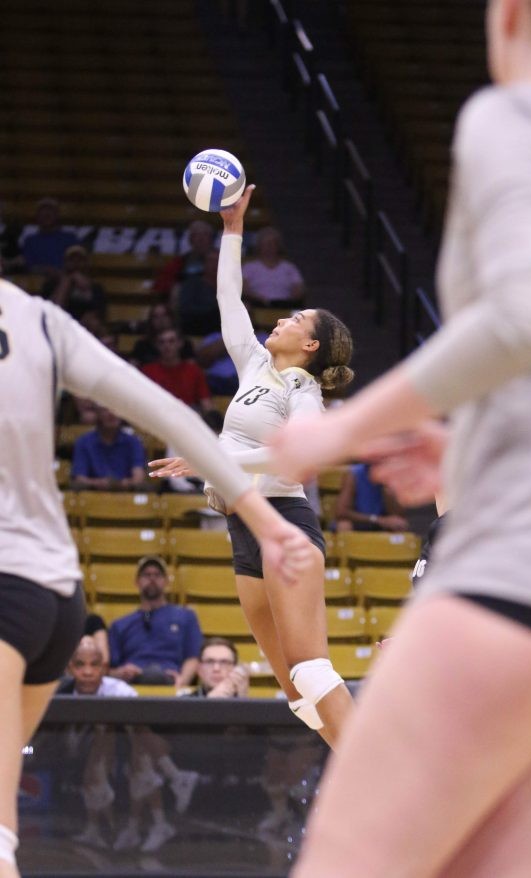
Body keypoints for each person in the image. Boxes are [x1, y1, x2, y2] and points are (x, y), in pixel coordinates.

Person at [270, 1, 531, 875]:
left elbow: (524, 317)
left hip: (528, 571)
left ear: (513, 14)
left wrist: (340, 428)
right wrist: (478, 450)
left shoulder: (517, 112)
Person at [0, 273, 312, 878]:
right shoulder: (39, 316)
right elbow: (171, 413)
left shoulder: (294, 384)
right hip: (55, 596)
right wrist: (263, 521)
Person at [149, 186, 356, 748]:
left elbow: (299, 454)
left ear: (310, 344)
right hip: (244, 526)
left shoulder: (303, 387)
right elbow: (228, 299)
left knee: (312, 670)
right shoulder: (256, 367)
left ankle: (393, 777)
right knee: (296, 694)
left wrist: (210, 458)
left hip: (284, 522)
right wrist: (233, 229)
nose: (282, 318)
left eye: (295, 317)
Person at [57, 637, 197, 853]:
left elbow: (142, 730)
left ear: (104, 668)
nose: (87, 672)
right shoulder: (58, 692)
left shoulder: (120, 690)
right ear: (69, 668)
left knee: (139, 753)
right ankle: (174, 779)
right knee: (138, 755)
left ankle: (121, 827)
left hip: (119, 751)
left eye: (94, 665)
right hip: (73, 751)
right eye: (80, 665)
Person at [108, 556, 201, 687]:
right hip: (130, 685)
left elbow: (193, 657)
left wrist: (182, 681)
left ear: (166, 581)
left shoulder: (186, 617)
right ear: (137, 582)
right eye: (146, 575)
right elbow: (109, 669)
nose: (152, 579)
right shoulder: (120, 625)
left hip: (171, 680)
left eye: (158, 575)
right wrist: (120, 673)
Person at [71, 405, 147, 490]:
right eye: (105, 409)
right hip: (93, 495)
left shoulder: (134, 442)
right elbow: (79, 479)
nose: (111, 413)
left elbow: (138, 479)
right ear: (97, 413)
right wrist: (99, 483)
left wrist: (120, 484)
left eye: (115, 409)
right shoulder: (84, 442)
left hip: (125, 496)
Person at [142, 327, 213, 411]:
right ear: (157, 345)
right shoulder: (147, 371)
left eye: (171, 341)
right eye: (162, 342)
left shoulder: (194, 371)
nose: (166, 346)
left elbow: (206, 404)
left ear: (180, 343)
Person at [40, 245, 106, 325]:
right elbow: (52, 311)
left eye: (80, 260)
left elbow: (98, 313)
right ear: (65, 263)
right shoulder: (51, 285)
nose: (76, 264)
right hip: (57, 326)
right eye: (72, 260)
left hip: (83, 329)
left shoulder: (95, 287)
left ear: (86, 263)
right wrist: (68, 281)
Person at [334, 462, 409, 533]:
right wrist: (377, 520)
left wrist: (388, 490)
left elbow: (398, 515)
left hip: (383, 524)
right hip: (359, 521)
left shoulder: (393, 474)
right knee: (344, 525)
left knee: (399, 525)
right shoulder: (355, 474)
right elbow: (341, 512)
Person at [242, 226, 305, 307]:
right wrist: (258, 298)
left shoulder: (289, 268)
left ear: (278, 246)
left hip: (284, 306)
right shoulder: (249, 267)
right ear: (259, 246)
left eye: (272, 243)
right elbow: (244, 288)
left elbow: (298, 289)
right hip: (257, 305)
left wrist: (292, 298)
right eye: (266, 244)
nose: (269, 247)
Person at [152, 219, 215, 299]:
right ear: (190, 239)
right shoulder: (180, 262)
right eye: (196, 235)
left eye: (205, 234)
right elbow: (161, 285)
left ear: (211, 238)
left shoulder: (224, 260)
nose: (201, 238)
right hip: (188, 301)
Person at [21, 198, 78, 275]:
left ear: (57, 214)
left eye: (50, 210)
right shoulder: (30, 241)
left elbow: (76, 263)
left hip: (65, 279)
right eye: (43, 211)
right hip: (37, 281)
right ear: (37, 216)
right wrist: (47, 271)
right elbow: (29, 265)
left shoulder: (70, 238)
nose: (46, 213)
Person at [129, 303, 195, 368]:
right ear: (151, 320)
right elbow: (132, 369)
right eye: (156, 316)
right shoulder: (141, 345)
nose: (161, 319)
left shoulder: (185, 344)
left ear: (171, 318)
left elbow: (191, 368)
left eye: (164, 315)